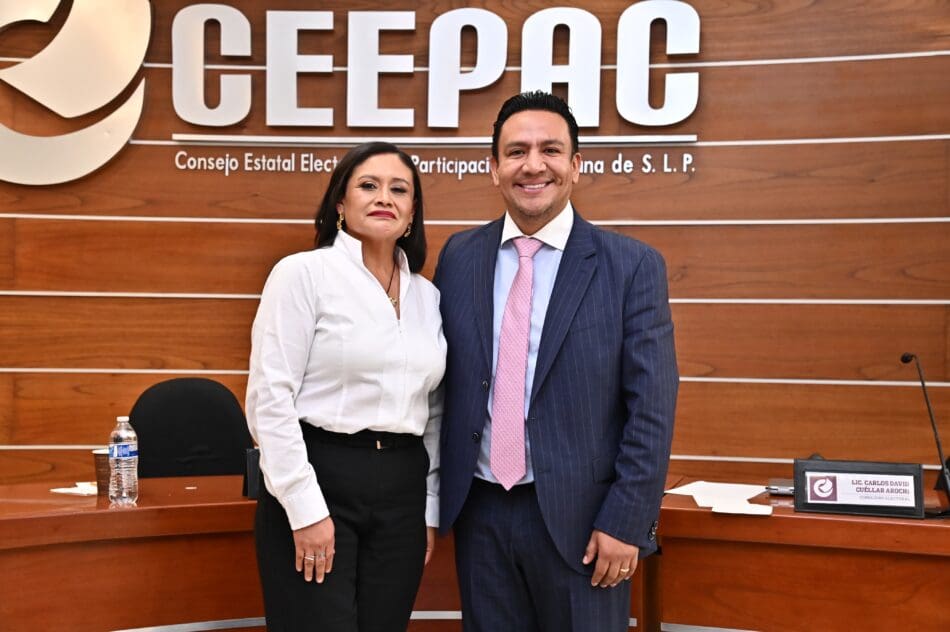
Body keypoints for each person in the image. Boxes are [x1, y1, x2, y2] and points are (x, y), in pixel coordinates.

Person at [433, 91, 678, 631]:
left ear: (576, 166)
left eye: (550, 150)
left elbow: (652, 408)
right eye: (516, 151)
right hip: (480, 513)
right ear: (493, 168)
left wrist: (627, 521)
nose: (533, 165)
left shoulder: (631, 266)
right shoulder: (458, 256)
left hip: (587, 525)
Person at [246, 142, 446, 632]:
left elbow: (434, 409)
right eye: (368, 185)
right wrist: (304, 510)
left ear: (412, 211)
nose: (384, 198)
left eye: (399, 189)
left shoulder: (428, 296)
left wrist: (428, 508)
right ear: (340, 201)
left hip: (402, 489)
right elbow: (270, 399)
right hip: (320, 477)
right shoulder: (302, 274)